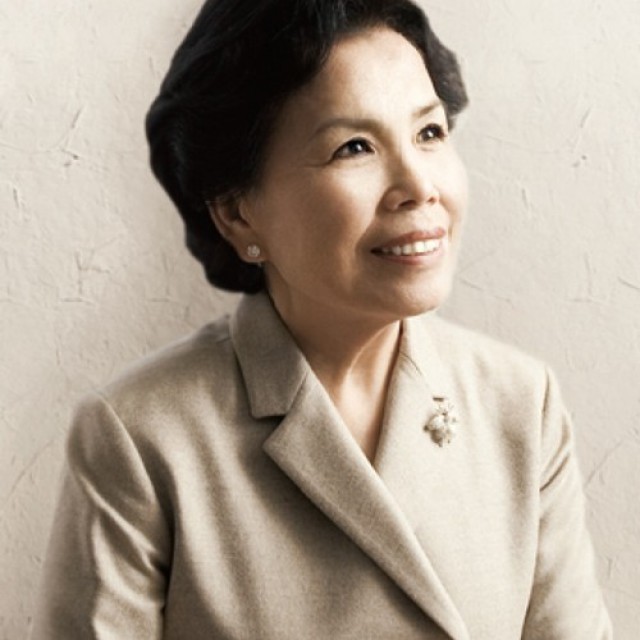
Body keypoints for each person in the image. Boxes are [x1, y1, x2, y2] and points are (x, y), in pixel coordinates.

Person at [32, 0, 613, 638]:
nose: (419, 186)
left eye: (429, 132)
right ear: (238, 213)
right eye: (354, 147)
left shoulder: (521, 405)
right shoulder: (141, 439)